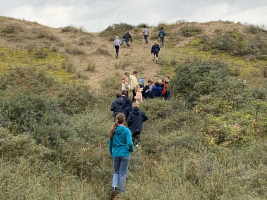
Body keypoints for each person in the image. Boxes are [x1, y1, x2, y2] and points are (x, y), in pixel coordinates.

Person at [109, 113, 133, 198]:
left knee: (116, 171)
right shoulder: (126, 131)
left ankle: (114, 187)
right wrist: (131, 149)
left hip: (116, 153)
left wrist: (112, 154)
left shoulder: (113, 131)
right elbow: (130, 142)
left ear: (116, 120)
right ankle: (121, 192)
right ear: (124, 120)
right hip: (125, 153)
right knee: (123, 173)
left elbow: (110, 145)